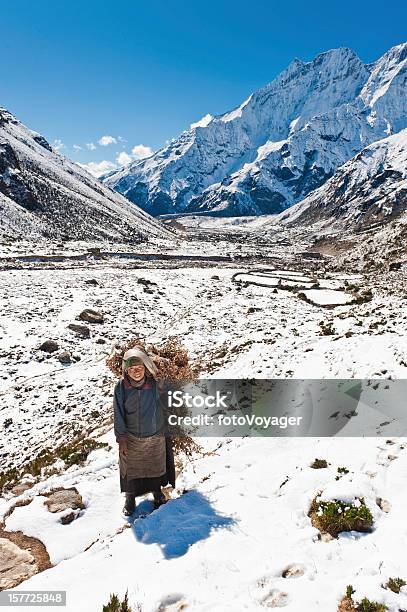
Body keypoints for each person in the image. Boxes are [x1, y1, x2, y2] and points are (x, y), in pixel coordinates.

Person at [113, 347, 175, 516]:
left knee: (155, 467)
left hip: (155, 435)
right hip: (132, 437)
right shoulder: (121, 388)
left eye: (139, 368)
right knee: (131, 469)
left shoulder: (155, 383)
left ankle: (157, 493)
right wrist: (122, 438)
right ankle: (130, 498)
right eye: (132, 369)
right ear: (127, 370)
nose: (136, 372)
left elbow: (170, 396)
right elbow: (118, 413)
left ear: (145, 368)